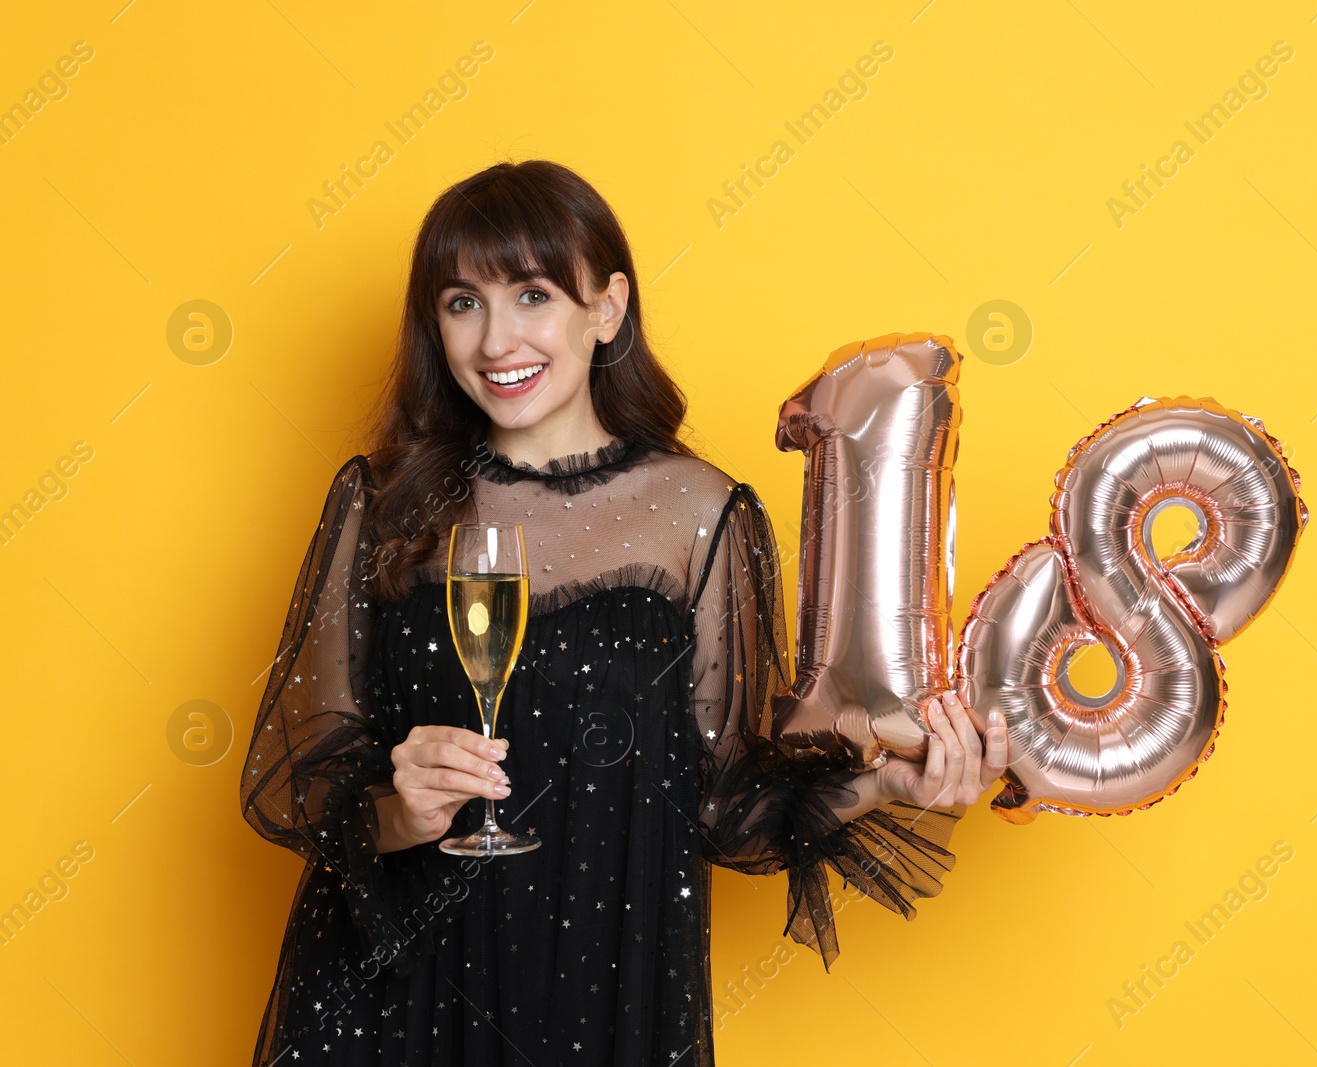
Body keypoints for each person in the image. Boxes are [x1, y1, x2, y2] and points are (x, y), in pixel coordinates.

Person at [239, 158, 1009, 1066]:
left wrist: (883, 783)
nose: (495, 341)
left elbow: (724, 804)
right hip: (396, 997)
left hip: (599, 996)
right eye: (462, 302)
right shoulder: (383, 501)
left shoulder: (703, 517)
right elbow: (297, 772)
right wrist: (397, 814)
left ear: (606, 309)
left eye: (532, 295)